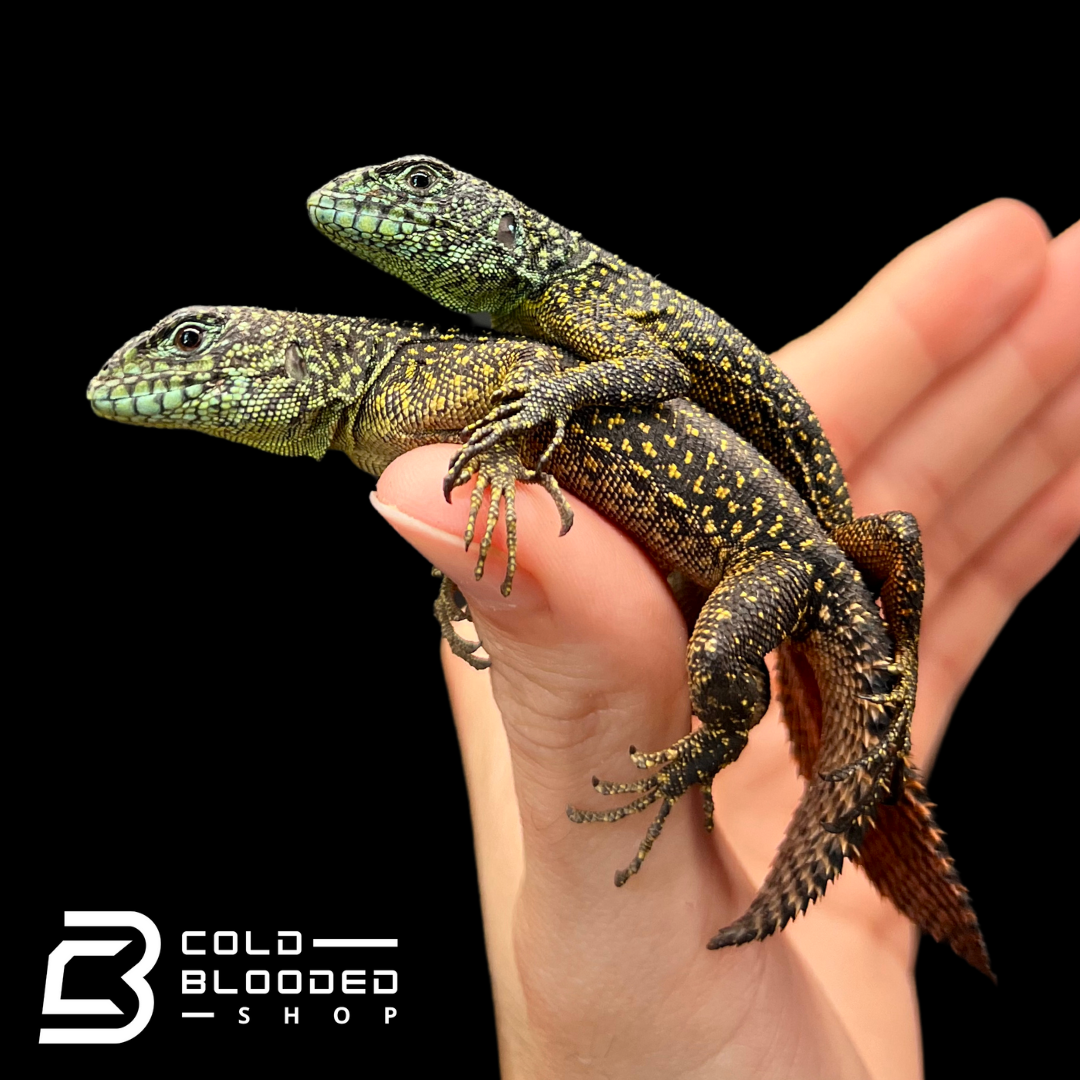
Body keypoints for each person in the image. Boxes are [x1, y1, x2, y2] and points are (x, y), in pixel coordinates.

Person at [373, 200, 1079, 1080]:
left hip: (789, 536)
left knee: (870, 565)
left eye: (419, 191)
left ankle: (862, 727)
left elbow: (654, 369)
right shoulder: (545, 321)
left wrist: (880, 657)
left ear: (503, 233)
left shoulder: (574, 302)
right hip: (744, 540)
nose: (380, 211)